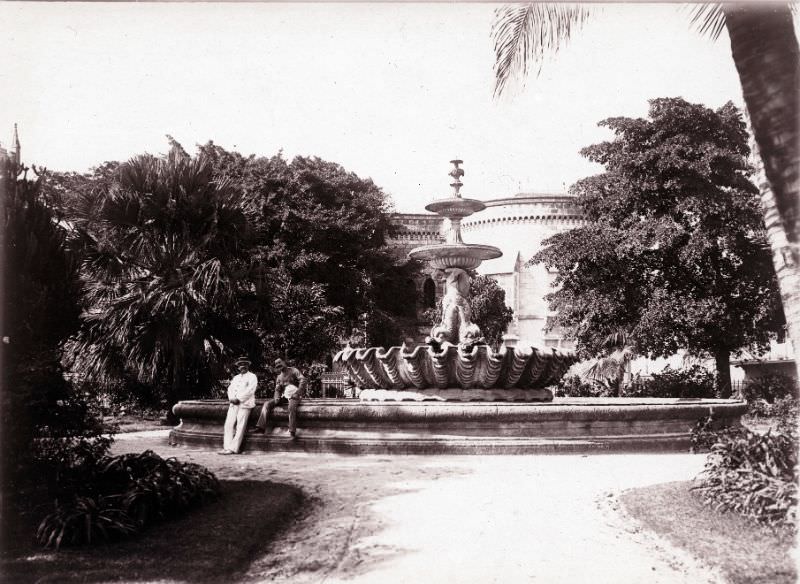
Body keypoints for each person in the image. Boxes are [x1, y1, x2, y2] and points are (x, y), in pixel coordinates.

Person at [252, 358, 307, 438]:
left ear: (284, 362)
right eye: (277, 365)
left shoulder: (293, 370)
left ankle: (292, 430)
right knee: (267, 404)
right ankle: (261, 427)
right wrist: (276, 398)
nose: (279, 366)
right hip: (284, 396)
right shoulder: (279, 377)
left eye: (280, 363)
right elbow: (277, 390)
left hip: (294, 395)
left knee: (291, 407)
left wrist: (297, 393)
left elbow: (303, 380)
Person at [219, 355, 258, 455]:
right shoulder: (236, 378)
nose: (243, 366)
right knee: (228, 424)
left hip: (245, 404)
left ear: (248, 366)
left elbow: (250, 390)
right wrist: (231, 398)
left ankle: (233, 448)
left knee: (240, 426)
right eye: (241, 365)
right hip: (233, 404)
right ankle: (227, 447)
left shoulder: (252, 376)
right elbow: (230, 389)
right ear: (238, 366)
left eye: (245, 364)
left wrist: (239, 399)